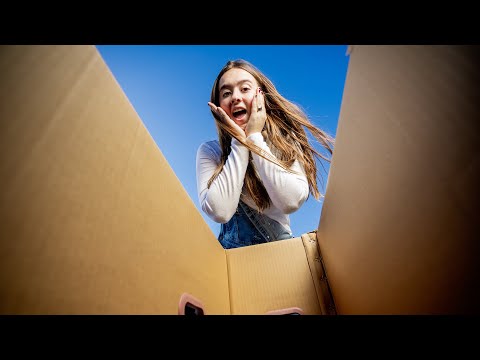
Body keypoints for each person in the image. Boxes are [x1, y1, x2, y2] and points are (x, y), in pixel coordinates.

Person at [196, 59, 335, 249]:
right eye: (226, 93)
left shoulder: (284, 142)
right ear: (218, 106)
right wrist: (240, 142)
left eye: (244, 89)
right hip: (231, 261)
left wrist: (253, 137)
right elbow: (220, 211)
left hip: (277, 254)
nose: (235, 97)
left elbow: (290, 201)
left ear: (261, 96)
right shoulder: (210, 152)